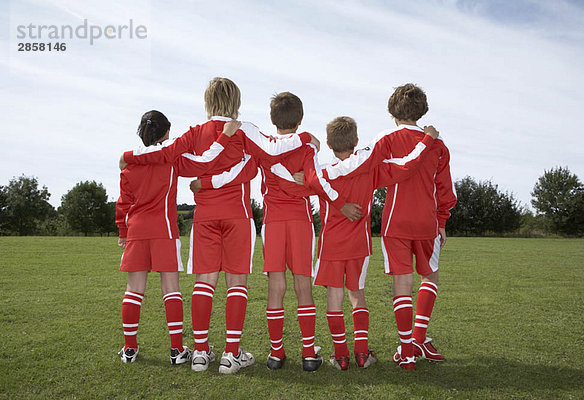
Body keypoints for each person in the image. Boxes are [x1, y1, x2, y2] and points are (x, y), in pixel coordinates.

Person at [119, 78, 319, 374]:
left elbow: (169, 156)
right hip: (237, 216)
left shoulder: (194, 133)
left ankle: (200, 353)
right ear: (236, 102)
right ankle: (230, 354)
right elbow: (272, 153)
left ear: (206, 102)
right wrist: (306, 138)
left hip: (204, 218)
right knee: (236, 284)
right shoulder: (245, 129)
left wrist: (127, 156)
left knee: (204, 283)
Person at [190, 92, 362, 372]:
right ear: (301, 119)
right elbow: (315, 183)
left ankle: (276, 353)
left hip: (272, 222)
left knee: (276, 287)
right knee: (302, 286)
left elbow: (251, 168)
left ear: (272, 119)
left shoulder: (263, 146)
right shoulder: (307, 148)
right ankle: (308, 354)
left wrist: (205, 182)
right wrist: (304, 183)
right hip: (301, 222)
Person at [312, 83, 455, 370]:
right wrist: (441, 220)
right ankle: (419, 338)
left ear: (392, 111)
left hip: (394, 222)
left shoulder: (383, 140)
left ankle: (406, 352)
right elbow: (443, 187)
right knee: (430, 278)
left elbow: (357, 169)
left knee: (401, 286)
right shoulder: (438, 145)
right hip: (426, 221)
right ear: (422, 110)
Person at [278, 116, 437, 370]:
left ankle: (341, 356)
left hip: (330, 246)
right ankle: (362, 354)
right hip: (359, 246)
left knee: (334, 297)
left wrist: (301, 177)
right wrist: (426, 141)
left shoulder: (322, 175)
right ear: (357, 141)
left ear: (329, 144)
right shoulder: (370, 169)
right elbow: (406, 166)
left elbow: (298, 184)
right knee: (357, 296)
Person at [115, 110, 238, 365]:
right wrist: (225, 137)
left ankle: (129, 349)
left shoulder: (129, 164)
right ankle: (176, 350)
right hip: (164, 230)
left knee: (133, 291)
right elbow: (205, 162)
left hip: (137, 231)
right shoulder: (172, 160)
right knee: (170, 290)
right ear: (167, 133)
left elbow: (123, 202)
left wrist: (123, 231)